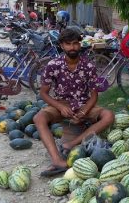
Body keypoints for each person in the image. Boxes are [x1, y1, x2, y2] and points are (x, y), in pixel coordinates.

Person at [33, 28, 115, 176]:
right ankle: (57, 160)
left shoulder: (88, 66)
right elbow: (43, 94)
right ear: (62, 46)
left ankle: (71, 143)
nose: (72, 47)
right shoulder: (53, 65)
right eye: (68, 44)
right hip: (62, 105)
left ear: (80, 44)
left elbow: (94, 95)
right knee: (39, 118)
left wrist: (84, 111)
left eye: (76, 43)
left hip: (84, 105)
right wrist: (59, 107)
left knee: (108, 115)